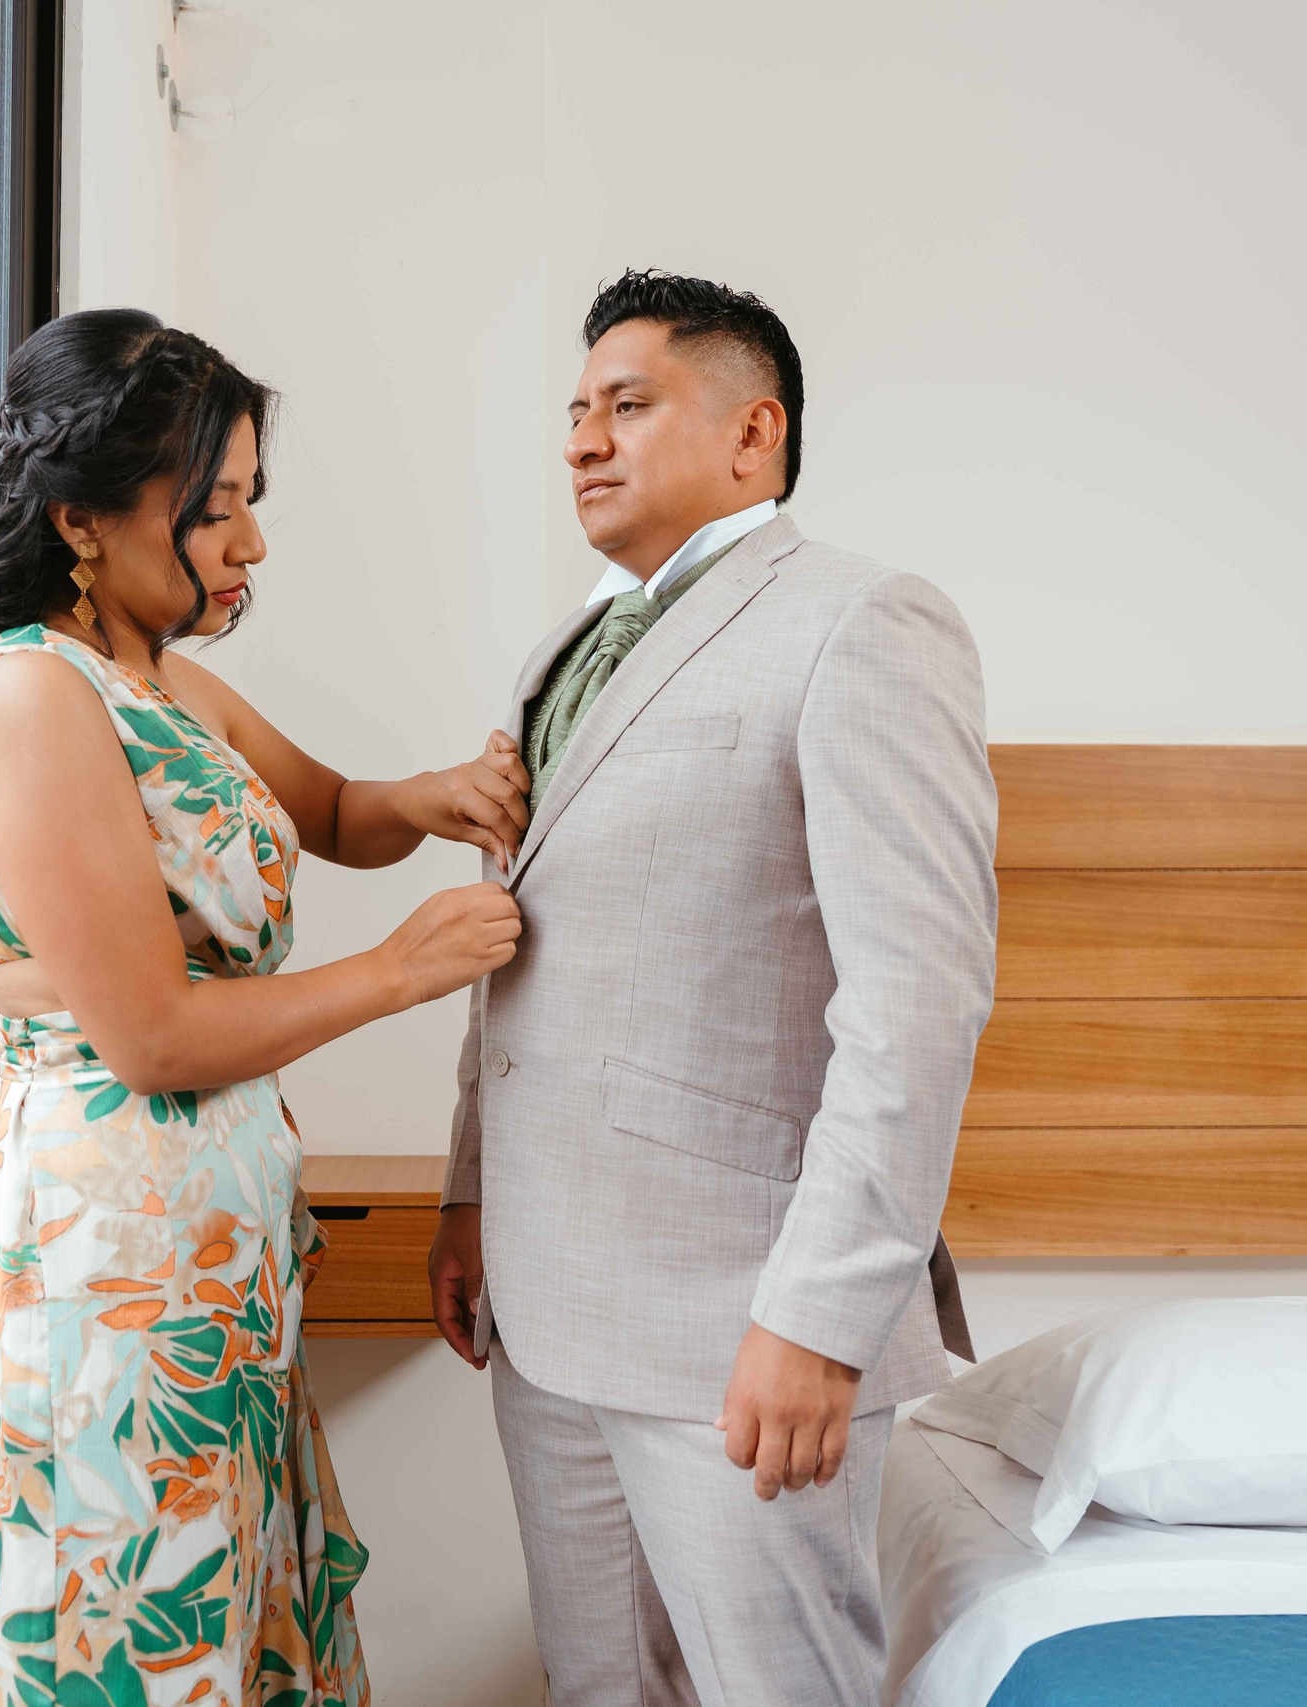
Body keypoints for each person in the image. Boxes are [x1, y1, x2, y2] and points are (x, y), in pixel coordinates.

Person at [0, 307, 526, 1707]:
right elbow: (151, 1038)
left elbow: (327, 811)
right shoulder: (32, 696)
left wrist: (435, 799)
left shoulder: (164, 685)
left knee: (227, 1623)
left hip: (210, 1255)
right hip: (111, 1269)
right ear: (82, 519)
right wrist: (399, 972)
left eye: (252, 502)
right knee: (132, 1634)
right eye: (212, 511)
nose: (249, 543)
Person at [427, 270, 998, 1705]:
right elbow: (526, 942)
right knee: (598, 1687)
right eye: (573, 414)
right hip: (546, 1306)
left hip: (739, 1318)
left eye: (628, 406)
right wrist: (467, 1194)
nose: (583, 442)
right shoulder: (565, 647)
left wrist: (820, 1317)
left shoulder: (862, 624)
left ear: (755, 436)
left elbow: (915, 999)